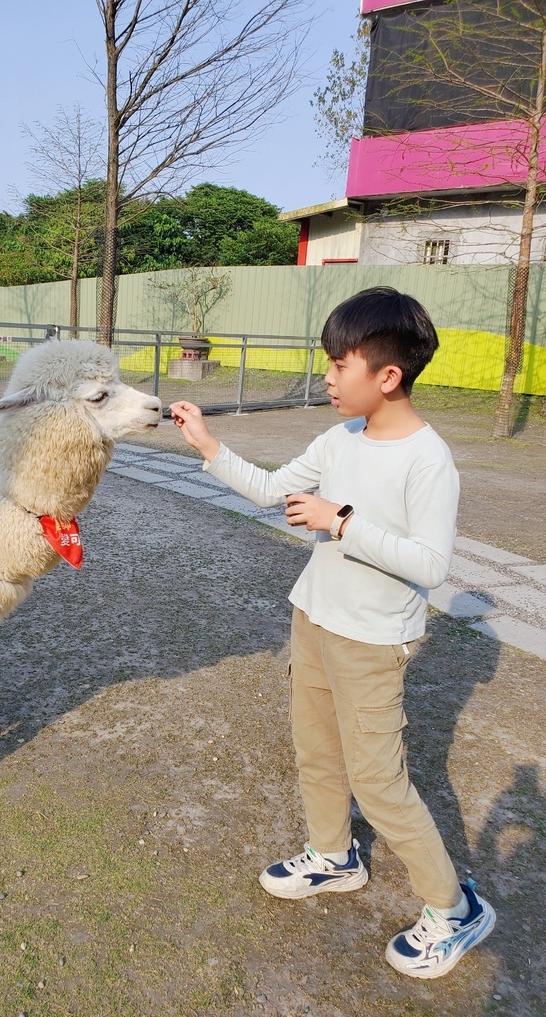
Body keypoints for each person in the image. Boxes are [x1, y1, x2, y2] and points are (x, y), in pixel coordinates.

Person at [169, 286, 495, 979]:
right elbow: (271, 490)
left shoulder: (428, 459)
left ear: (386, 376)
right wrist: (209, 446)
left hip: (374, 641)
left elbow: (432, 564)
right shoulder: (338, 435)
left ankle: (455, 908)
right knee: (315, 750)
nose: (326, 377)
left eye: (338, 364)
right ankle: (334, 856)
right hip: (314, 618)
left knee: (380, 784)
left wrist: (341, 521)